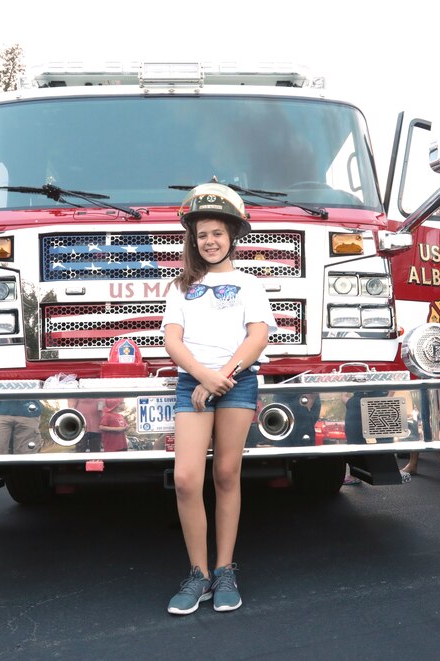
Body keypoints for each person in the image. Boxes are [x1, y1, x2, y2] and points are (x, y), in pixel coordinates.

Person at [161, 183, 275, 615]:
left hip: (237, 384)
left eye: (217, 233)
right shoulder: (180, 287)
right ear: (193, 239)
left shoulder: (249, 284)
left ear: (232, 237)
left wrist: (221, 378)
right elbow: (173, 341)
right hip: (192, 384)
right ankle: (199, 574)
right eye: (202, 234)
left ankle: (225, 568)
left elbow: (258, 336)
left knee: (227, 475)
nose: (210, 241)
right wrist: (203, 377)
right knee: (188, 478)